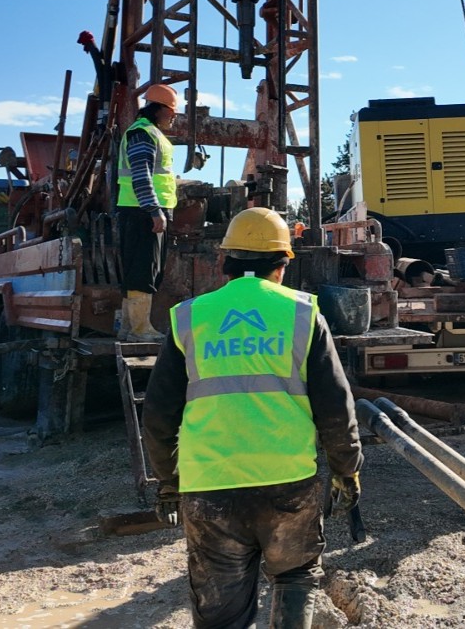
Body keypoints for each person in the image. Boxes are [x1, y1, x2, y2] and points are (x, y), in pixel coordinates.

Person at [141, 207, 364, 629]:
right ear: (282, 266)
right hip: (289, 482)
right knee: (295, 575)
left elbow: (158, 415)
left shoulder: (191, 318)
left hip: (210, 487)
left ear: (224, 262)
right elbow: (336, 407)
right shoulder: (302, 315)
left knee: (221, 613)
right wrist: (346, 471)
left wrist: (169, 482)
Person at [116, 83, 180, 342]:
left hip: (139, 210)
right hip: (143, 212)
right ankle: (140, 330)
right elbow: (141, 176)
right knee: (144, 270)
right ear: (158, 109)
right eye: (171, 111)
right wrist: (155, 210)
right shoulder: (143, 133)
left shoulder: (147, 132)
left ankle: (129, 328)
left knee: (140, 270)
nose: (174, 116)